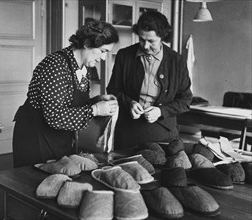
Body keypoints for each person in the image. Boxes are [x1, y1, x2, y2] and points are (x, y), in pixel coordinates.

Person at [13, 19, 119, 168]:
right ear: (87, 44)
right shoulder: (56, 66)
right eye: (103, 51)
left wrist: (97, 100)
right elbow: (54, 116)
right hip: (37, 138)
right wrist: (95, 110)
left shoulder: (83, 67)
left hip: (58, 137)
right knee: (33, 184)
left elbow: (72, 103)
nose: (103, 58)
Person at [107, 11, 193, 160]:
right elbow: (113, 89)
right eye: (141, 39)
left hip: (162, 132)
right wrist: (130, 103)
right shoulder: (124, 55)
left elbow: (185, 100)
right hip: (128, 131)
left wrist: (161, 111)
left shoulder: (176, 61)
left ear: (163, 37)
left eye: (151, 41)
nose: (145, 46)